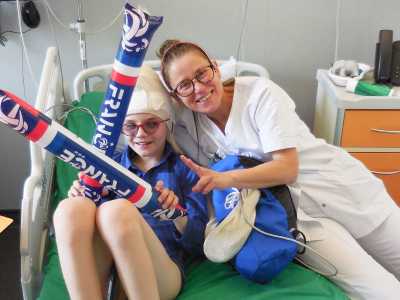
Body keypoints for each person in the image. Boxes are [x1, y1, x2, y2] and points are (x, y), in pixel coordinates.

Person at [157, 39, 400, 300]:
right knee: (380, 291)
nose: (198, 88)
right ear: (175, 96)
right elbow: (144, 111)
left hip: (343, 190)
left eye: (202, 74)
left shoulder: (260, 94)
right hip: (297, 218)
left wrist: (225, 179)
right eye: (184, 85)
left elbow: (286, 169)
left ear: (215, 67)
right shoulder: (187, 129)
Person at [53, 64, 208, 300]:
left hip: (162, 273)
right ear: (122, 129)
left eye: (151, 124)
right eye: (130, 125)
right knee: (69, 210)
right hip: (110, 271)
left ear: (166, 124)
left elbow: (199, 244)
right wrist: (82, 196)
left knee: (117, 211)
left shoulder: (184, 170)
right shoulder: (107, 166)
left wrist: (176, 216)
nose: (141, 134)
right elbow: (82, 232)